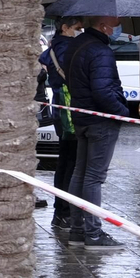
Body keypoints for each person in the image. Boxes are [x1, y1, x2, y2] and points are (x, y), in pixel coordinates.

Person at [66, 15, 130, 249]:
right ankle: (93, 235)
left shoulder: (77, 45)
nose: (117, 28)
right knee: (93, 177)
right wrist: (122, 111)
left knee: (80, 174)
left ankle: (77, 231)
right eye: (115, 24)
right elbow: (103, 91)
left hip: (82, 117)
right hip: (100, 121)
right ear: (103, 25)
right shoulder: (101, 52)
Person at [39, 17, 82, 235]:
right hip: (70, 108)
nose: (80, 31)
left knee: (65, 161)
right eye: (77, 27)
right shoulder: (67, 48)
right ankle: (64, 212)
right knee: (71, 163)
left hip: (60, 108)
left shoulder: (54, 47)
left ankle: (61, 212)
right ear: (65, 28)